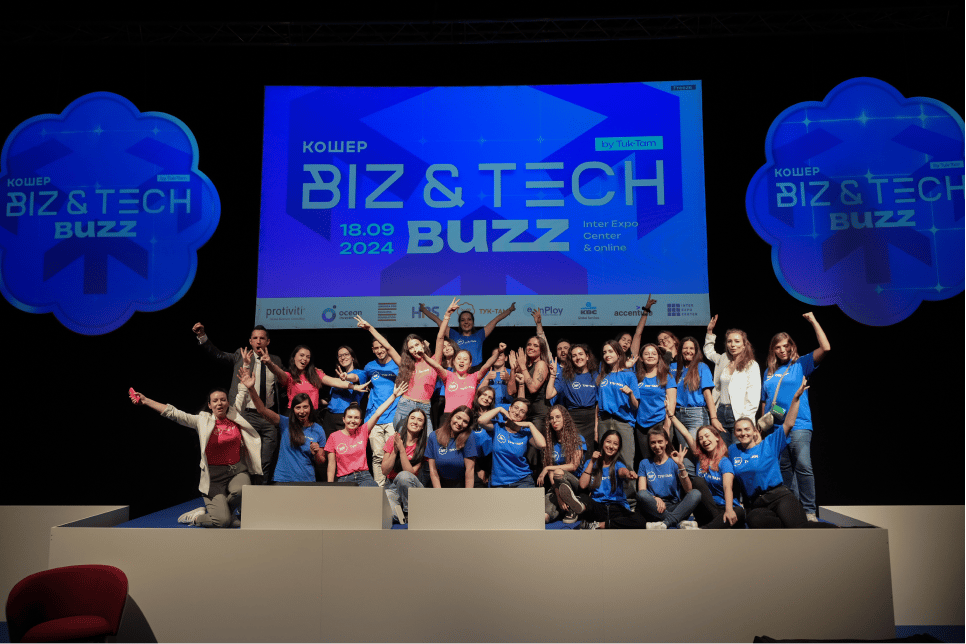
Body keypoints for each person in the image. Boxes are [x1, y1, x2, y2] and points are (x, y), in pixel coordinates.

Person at [129, 386, 261, 528]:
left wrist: (246, 373)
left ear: (228, 403)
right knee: (222, 522)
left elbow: (242, 394)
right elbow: (174, 414)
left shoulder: (235, 416)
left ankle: (227, 513)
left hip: (237, 471)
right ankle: (197, 517)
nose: (219, 403)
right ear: (210, 405)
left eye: (223, 400)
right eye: (215, 401)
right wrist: (146, 400)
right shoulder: (202, 421)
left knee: (243, 489)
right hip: (214, 478)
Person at [730, 378, 836, 529]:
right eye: (739, 430)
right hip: (758, 503)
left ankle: (836, 529)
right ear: (734, 433)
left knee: (798, 527)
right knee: (754, 520)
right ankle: (786, 524)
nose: (743, 433)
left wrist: (795, 398)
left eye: (747, 429)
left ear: (755, 431)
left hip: (779, 496)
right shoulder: (733, 450)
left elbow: (789, 423)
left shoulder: (769, 443)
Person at [761, 312, 830, 520]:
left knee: (803, 466)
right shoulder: (769, 371)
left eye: (786, 346)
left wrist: (813, 321)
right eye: (778, 347)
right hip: (776, 429)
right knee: (785, 472)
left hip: (799, 424)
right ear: (773, 349)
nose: (782, 350)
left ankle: (809, 511)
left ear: (791, 346)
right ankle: (794, 511)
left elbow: (826, 348)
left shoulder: (801, 364)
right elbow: (765, 402)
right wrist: (762, 427)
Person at [192, 322, 281, 484]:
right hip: (246, 415)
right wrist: (202, 336)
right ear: (250, 341)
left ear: (268, 342)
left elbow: (283, 382)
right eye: (255, 338)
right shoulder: (240, 356)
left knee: (265, 461)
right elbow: (217, 355)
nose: (259, 341)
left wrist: (271, 364)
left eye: (262, 338)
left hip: (268, 416)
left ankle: (260, 496)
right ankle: (245, 498)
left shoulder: (275, 360)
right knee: (246, 461)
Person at [238, 362, 324, 483]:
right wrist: (251, 388)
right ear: (293, 410)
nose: (302, 411)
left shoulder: (318, 429)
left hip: (307, 481)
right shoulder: (285, 422)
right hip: (283, 480)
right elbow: (262, 410)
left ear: (310, 408)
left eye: (305, 407)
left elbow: (321, 460)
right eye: (298, 407)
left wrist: (316, 453)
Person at [555, 430, 647, 530]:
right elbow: (582, 485)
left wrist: (628, 473)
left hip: (616, 508)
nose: (611, 446)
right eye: (608, 442)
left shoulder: (618, 464)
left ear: (618, 448)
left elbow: (622, 471)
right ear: (602, 442)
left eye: (615, 444)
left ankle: (599, 525)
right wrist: (592, 462)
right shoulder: (590, 462)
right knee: (584, 497)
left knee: (640, 521)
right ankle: (580, 505)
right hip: (598, 507)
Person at [669, 416, 745, 529]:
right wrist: (671, 416)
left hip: (724, 508)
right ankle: (716, 525)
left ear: (717, 438)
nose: (704, 440)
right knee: (698, 481)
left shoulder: (725, 462)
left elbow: (727, 487)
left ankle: (703, 529)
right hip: (706, 509)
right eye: (701, 438)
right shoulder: (701, 458)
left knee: (739, 511)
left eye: (707, 436)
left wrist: (729, 510)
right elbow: (685, 434)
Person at [355, 315, 405, 486]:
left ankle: (393, 490)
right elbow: (358, 377)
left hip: (393, 417)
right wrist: (347, 376)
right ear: (372, 349)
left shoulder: (398, 365)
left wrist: (370, 328)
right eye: (376, 348)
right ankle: (379, 491)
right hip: (374, 418)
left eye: (382, 346)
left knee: (392, 455)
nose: (380, 350)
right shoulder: (369, 367)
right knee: (376, 456)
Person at [325, 384, 407, 487]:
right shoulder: (334, 436)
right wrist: (328, 487)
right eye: (349, 417)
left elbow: (377, 413)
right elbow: (331, 465)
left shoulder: (362, 431)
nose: (352, 420)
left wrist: (393, 396)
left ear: (360, 421)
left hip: (364, 476)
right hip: (344, 478)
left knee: (375, 497)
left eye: (356, 418)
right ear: (343, 419)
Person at [704, 316, 760, 447]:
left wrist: (745, 421)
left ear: (744, 344)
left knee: (740, 451)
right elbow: (708, 352)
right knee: (724, 452)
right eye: (729, 341)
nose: (733, 345)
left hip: (739, 414)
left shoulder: (751, 365)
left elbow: (753, 396)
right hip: (721, 412)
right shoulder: (723, 359)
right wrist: (710, 332)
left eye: (737, 341)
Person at [259, 345, 367, 412]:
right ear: (294, 357)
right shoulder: (289, 375)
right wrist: (269, 363)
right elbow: (279, 372)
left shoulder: (315, 374)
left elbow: (334, 381)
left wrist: (354, 387)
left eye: (307, 357)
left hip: (312, 416)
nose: (304, 359)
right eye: (301, 355)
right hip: (294, 416)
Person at [635, 427, 701, 529]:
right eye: (653, 442)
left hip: (676, 507)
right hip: (655, 507)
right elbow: (642, 491)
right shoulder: (644, 463)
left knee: (696, 493)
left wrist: (680, 465)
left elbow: (688, 489)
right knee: (641, 495)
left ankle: (665, 523)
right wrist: (655, 498)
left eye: (660, 441)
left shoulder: (674, 462)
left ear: (666, 441)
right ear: (649, 444)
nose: (657, 446)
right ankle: (677, 522)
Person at [596, 340, 639, 494]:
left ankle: (630, 501)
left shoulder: (629, 375)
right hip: (604, 422)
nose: (607, 355)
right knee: (605, 461)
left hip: (623, 422)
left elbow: (636, 405)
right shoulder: (602, 376)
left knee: (626, 461)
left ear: (619, 354)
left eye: (610, 351)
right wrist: (596, 428)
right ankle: (605, 496)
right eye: (604, 352)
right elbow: (598, 405)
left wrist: (631, 394)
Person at [419, 300, 516, 366]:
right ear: (459, 323)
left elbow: (496, 320)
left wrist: (510, 310)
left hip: (477, 371)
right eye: (463, 320)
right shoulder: (453, 335)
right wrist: (423, 310)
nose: (466, 322)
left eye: (469, 319)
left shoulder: (480, 335)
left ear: (473, 322)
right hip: (458, 370)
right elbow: (438, 321)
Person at [671, 337, 717, 475]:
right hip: (678, 415)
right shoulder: (673, 368)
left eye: (692, 348)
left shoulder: (701, 367)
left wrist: (713, 417)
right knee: (685, 455)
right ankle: (692, 487)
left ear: (696, 351)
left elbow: (708, 394)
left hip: (696, 414)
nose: (688, 351)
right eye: (685, 348)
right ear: (680, 350)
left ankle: (703, 484)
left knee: (697, 451)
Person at [479, 398, 546, 488]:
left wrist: (530, 425)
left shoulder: (525, 433)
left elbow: (542, 445)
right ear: (510, 408)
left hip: (522, 480)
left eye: (522, 411)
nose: (517, 412)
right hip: (499, 482)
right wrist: (500, 409)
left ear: (524, 417)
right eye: (516, 408)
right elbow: (481, 421)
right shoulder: (498, 426)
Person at [546, 345, 598, 460]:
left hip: (591, 418)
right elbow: (549, 394)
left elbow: (599, 403)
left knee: (589, 453)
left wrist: (596, 427)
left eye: (580, 354)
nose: (578, 358)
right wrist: (553, 375)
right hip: (573, 418)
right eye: (574, 356)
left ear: (587, 356)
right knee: (574, 452)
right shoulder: (566, 376)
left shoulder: (596, 375)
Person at [537, 405, 586, 523]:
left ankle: (573, 503)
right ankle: (566, 506)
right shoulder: (549, 442)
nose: (554, 421)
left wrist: (548, 467)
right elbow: (550, 474)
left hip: (575, 483)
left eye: (558, 417)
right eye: (551, 418)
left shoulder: (578, 439)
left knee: (558, 472)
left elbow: (573, 466)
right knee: (542, 517)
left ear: (565, 418)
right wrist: (559, 496)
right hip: (556, 487)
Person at [382, 407, 429, 524]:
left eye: (419, 420)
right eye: (412, 418)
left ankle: (410, 512)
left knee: (403, 476)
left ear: (423, 425)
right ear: (407, 421)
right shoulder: (394, 439)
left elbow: (410, 473)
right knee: (390, 514)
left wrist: (402, 450)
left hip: (412, 488)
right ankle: (404, 515)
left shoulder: (424, 444)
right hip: (392, 485)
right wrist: (395, 450)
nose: (415, 422)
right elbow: (385, 471)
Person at [633, 343, 677, 466]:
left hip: (660, 423)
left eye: (654, 353)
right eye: (646, 354)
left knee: (664, 460)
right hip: (641, 426)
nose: (650, 356)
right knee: (647, 460)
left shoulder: (666, 376)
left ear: (659, 357)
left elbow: (672, 402)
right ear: (641, 358)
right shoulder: (637, 377)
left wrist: (667, 426)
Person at [425, 406, 478, 488]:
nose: (460, 423)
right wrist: (438, 494)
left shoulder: (469, 437)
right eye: (458, 417)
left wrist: (468, 497)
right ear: (451, 417)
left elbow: (469, 471)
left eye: (465, 421)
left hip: (461, 484)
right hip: (439, 483)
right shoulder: (433, 436)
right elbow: (433, 470)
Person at [506, 336, 551, 430]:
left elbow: (533, 388)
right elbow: (511, 391)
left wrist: (522, 366)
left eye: (535, 345)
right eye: (529, 344)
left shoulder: (541, 364)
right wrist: (513, 369)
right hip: (523, 413)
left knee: (535, 444)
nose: (531, 347)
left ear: (541, 350)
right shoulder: (524, 365)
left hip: (538, 415)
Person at [324, 345, 368, 437]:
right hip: (330, 417)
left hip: (346, 417)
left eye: (346, 354)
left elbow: (354, 378)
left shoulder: (360, 373)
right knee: (329, 449)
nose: (343, 357)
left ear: (352, 357)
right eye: (340, 356)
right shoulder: (337, 378)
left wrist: (347, 377)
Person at [470, 386, 497, 487]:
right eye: (484, 395)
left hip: (493, 461)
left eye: (490, 397)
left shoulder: (496, 416)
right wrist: (478, 469)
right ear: (478, 396)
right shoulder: (469, 415)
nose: (486, 398)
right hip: (474, 460)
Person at [628, 294, 658, 360]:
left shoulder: (632, 358)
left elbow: (638, 334)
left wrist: (646, 310)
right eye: (623, 339)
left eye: (629, 341)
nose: (626, 342)